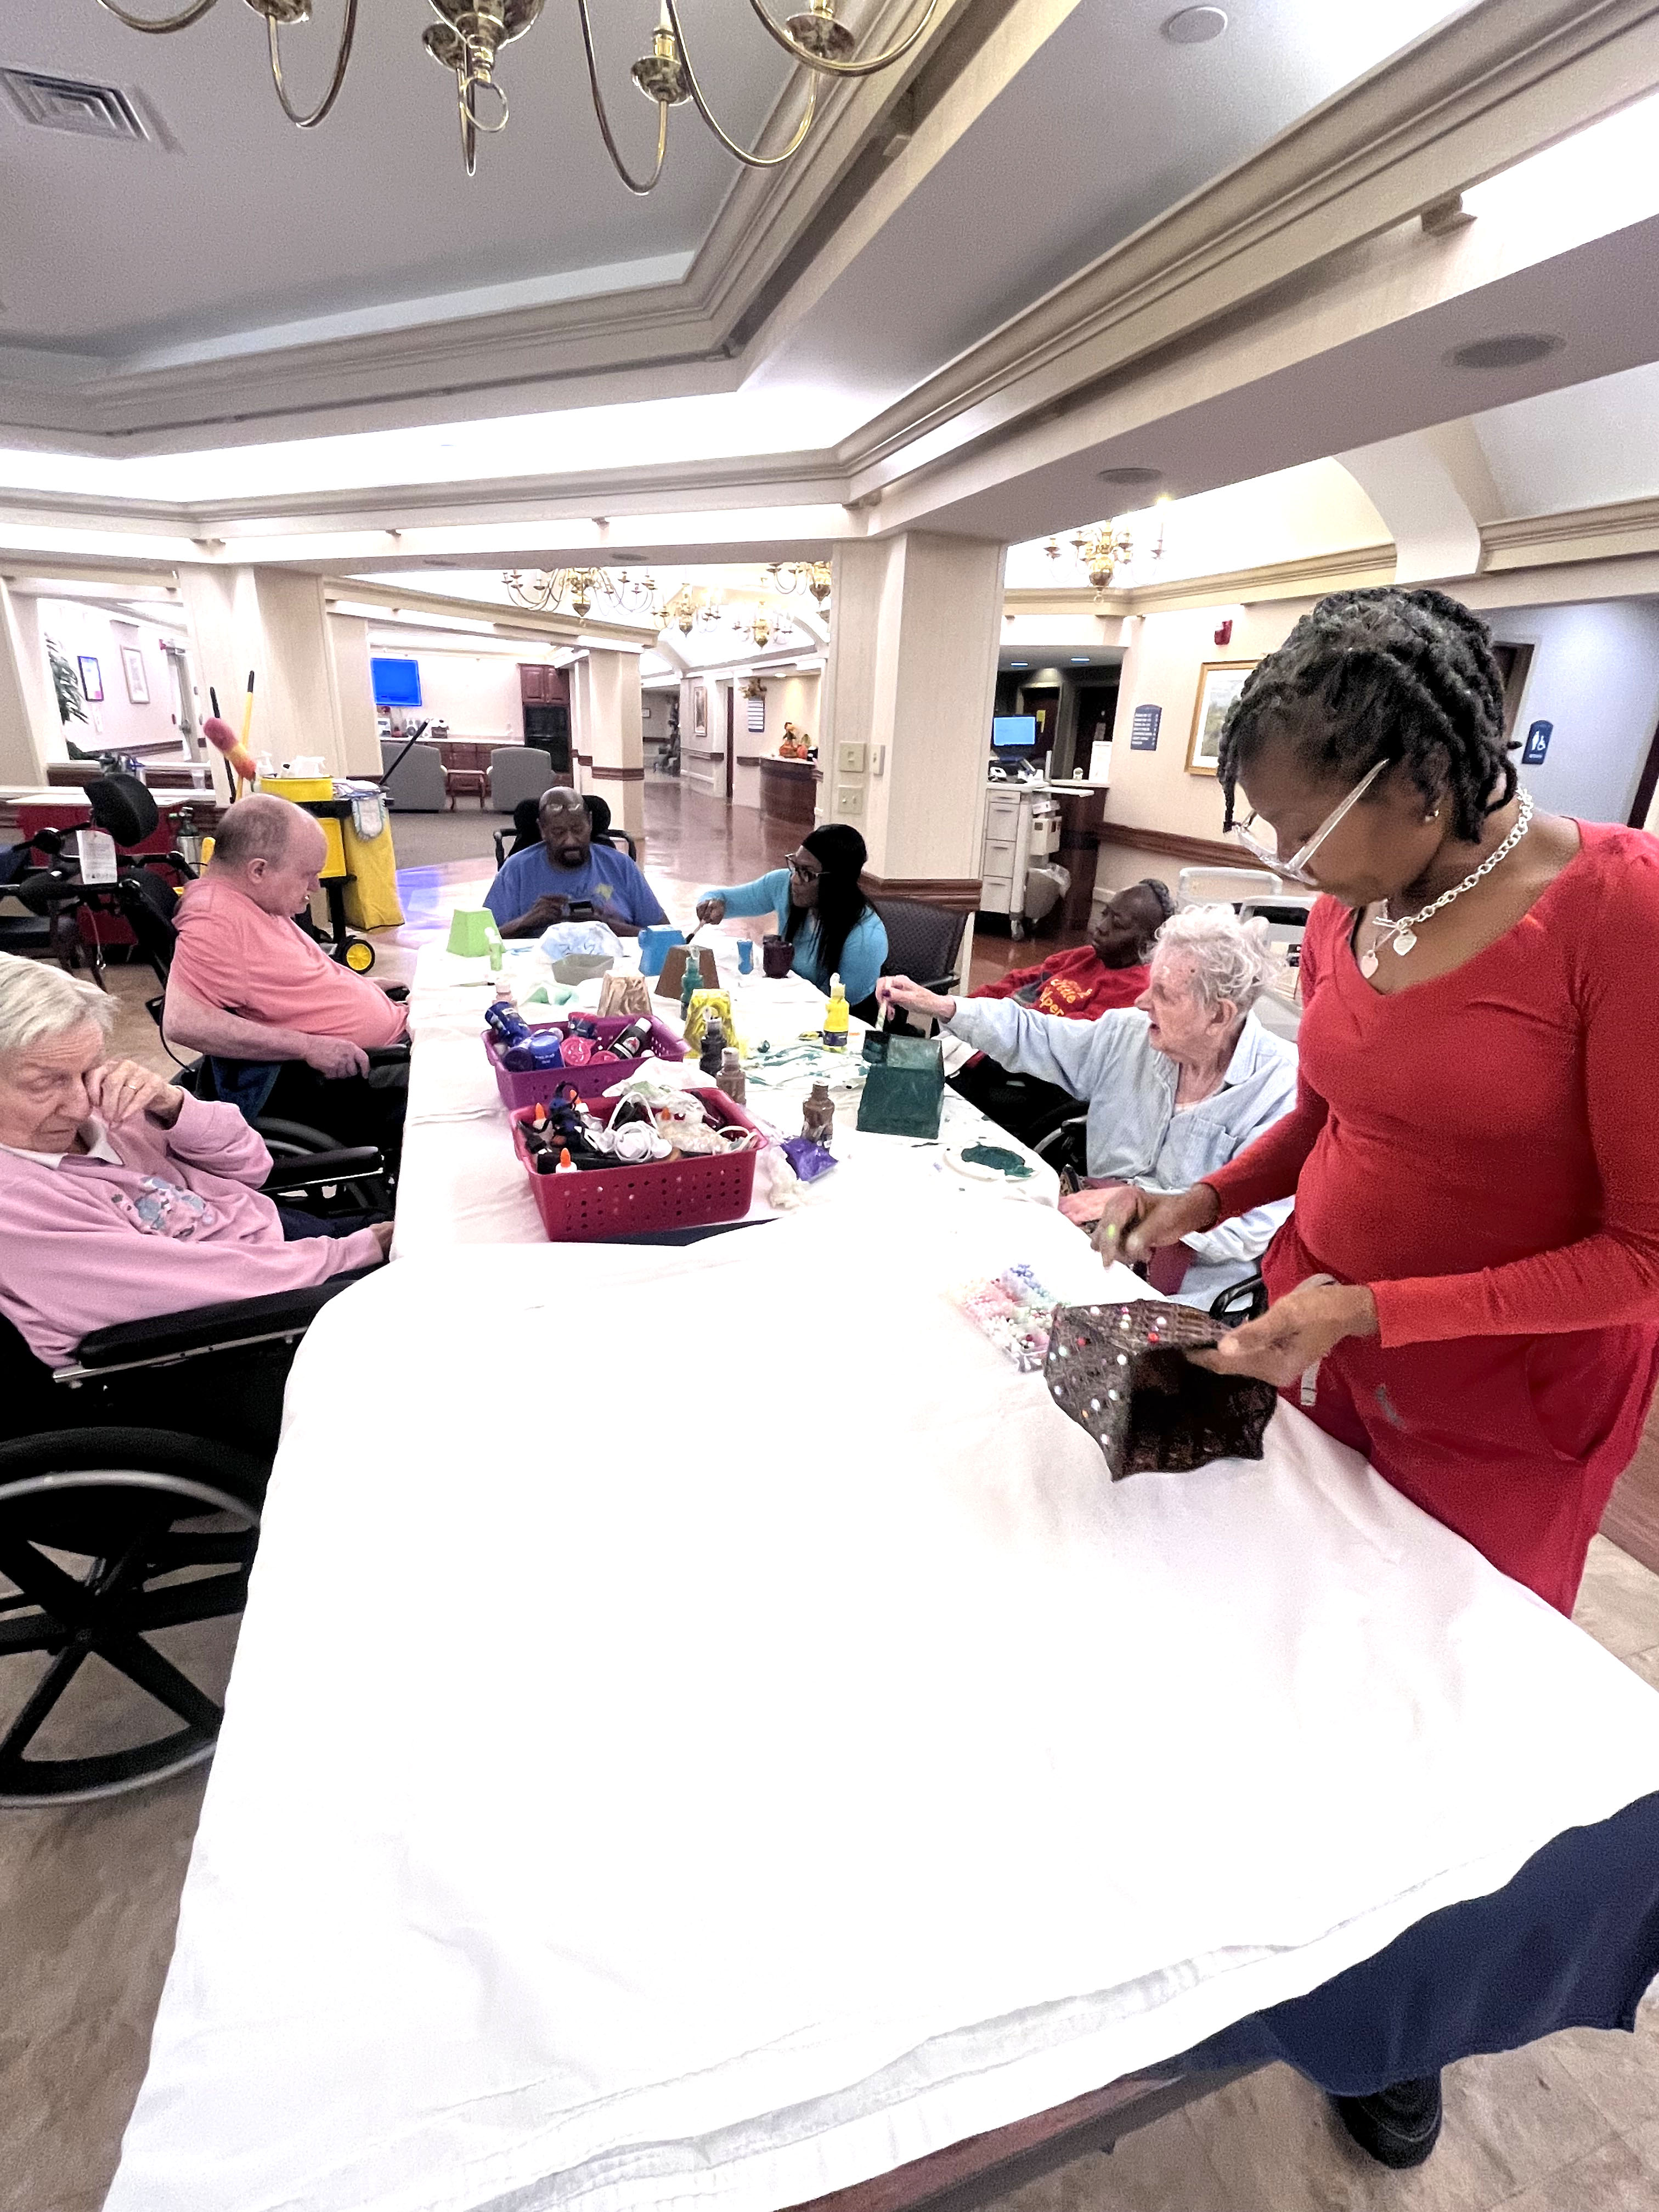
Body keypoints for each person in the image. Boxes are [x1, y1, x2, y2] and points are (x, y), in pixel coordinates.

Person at [1094, 585, 1659, 2172]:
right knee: (1293, 1642)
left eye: (1301, 827)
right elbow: (1348, 1114)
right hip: (1320, 1337)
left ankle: (1399, 2028)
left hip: (1499, 1407)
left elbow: (1643, 1251)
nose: (1288, 867)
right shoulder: (1361, 906)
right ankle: (1269, 1912)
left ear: (1417, 782)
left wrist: (1377, 1313)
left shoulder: (1620, 915)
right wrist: (1213, 1200)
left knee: (1428, 1716)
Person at [879, 905, 1297, 1307]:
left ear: (1219, 1016)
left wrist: (1142, 1204)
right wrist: (944, 1007)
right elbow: (1034, 1035)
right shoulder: (1129, 1034)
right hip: (1088, 1243)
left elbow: (1251, 1226)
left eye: (1164, 995)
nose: (1142, 1001)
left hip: (1186, 1291)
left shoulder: (1281, 1088)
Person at [0, 955, 388, 1374]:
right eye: (45, 1083)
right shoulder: (16, 1202)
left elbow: (252, 1165)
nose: (80, 1106)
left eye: (89, 1068)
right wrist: (361, 1249)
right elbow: (194, 1285)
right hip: (240, 1326)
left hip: (280, 1242)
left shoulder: (108, 1105)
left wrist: (173, 1105)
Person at [165, 794, 410, 1153]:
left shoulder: (256, 902)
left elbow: (284, 981)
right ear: (259, 870)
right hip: (348, 1079)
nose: (314, 887)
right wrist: (308, 1046)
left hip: (389, 1044)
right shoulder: (216, 918)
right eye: (308, 875)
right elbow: (182, 1023)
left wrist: (364, 987)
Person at [949, 879, 1176, 1144]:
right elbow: (1018, 980)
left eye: (1118, 924)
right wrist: (966, 1008)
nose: (1101, 929)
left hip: (1039, 1074)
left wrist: (991, 1033)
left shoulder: (1136, 990)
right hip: (1008, 1036)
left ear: (1149, 943)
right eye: (1105, 915)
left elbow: (1071, 1041)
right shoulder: (1087, 956)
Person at [696, 823, 888, 1007]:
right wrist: (711, 904)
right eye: (795, 866)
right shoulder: (783, 886)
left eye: (807, 873)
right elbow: (724, 899)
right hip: (790, 1003)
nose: (794, 879)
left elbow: (845, 1005)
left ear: (837, 882)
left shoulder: (866, 937)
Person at [483, 785, 667, 939]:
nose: (570, 841)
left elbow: (665, 937)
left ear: (590, 823)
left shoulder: (621, 866)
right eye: (558, 833)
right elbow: (481, 942)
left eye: (578, 829)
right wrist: (528, 921)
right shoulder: (516, 870)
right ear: (543, 830)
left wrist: (605, 926)